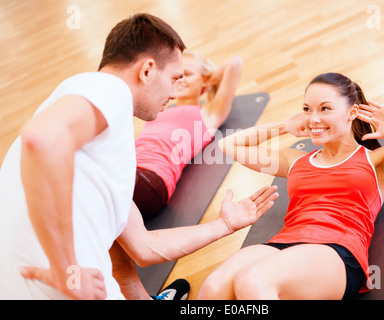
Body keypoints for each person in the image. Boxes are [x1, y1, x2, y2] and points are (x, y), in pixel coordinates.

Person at [0, 13, 278, 300]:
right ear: (146, 70)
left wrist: (225, 224)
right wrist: (67, 269)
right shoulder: (108, 89)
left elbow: (145, 247)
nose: (173, 91)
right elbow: (40, 139)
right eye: (173, 78)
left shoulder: (96, 142)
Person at [197, 72, 384, 300]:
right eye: (307, 109)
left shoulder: (378, 162)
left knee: (252, 281)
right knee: (213, 289)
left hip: (336, 252)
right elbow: (228, 146)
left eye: (325, 109)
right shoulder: (295, 161)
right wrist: (283, 126)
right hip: (281, 246)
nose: (314, 118)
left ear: (352, 113)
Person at [133, 51, 243, 219]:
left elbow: (234, 63)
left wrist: (206, 80)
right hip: (128, 170)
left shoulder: (208, 115)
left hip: (151, 181)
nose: (181, 80)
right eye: (177, 76)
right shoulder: (158, 109)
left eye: (188, 74)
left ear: (205, 82)